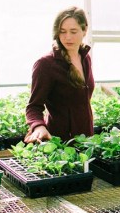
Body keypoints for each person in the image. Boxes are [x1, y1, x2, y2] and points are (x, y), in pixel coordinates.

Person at [25, 7, 95, 143]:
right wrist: (39, 127)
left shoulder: (85, 58)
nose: (68, 37)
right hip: (59, 142)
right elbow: (33, 106)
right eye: (62, 31)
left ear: (84, 30)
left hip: (86, 140)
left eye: (73, 31)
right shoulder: (46, 64)